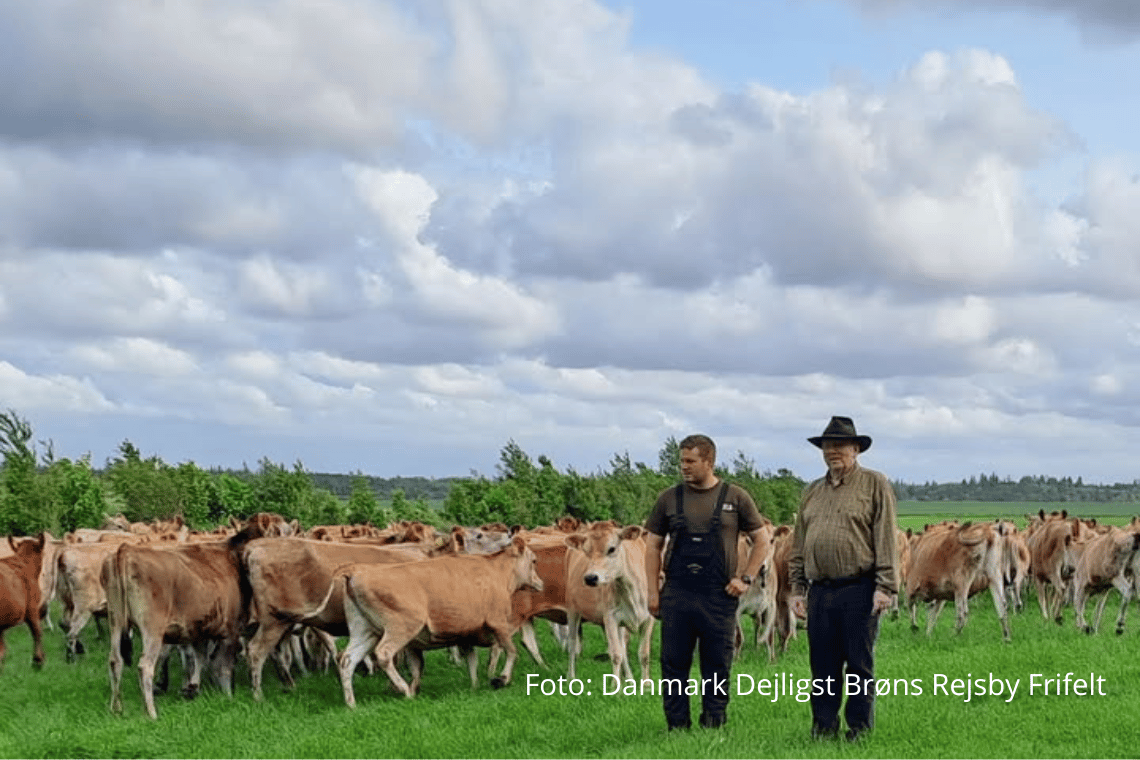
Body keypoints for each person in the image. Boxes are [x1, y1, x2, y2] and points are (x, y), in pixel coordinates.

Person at [645, 434, 769, 731]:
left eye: (690, 461)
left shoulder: (735, 497)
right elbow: (652, 547)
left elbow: (762, 541)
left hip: (719, 594)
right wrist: (652, 592)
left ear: (709, 461)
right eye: (681, 461)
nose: (684, 467)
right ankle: (677, 726)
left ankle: (714, 722)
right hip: (677, 591)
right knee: (673, 664)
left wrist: (746, 578)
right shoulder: (668, 498)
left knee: (717, 665)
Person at [788, 416, 898, 742]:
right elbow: (799, 543)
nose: (833, 451)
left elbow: (886, 536)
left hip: (859, 587)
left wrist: (885, 586)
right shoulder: (812, 492)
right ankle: (823, 728)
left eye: (840, 445)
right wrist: (797, 588)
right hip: (820, 591)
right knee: (822, 666)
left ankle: (859, 730)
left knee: (859, 665)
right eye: (827, 445)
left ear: (855, 448)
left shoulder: (874, 484)